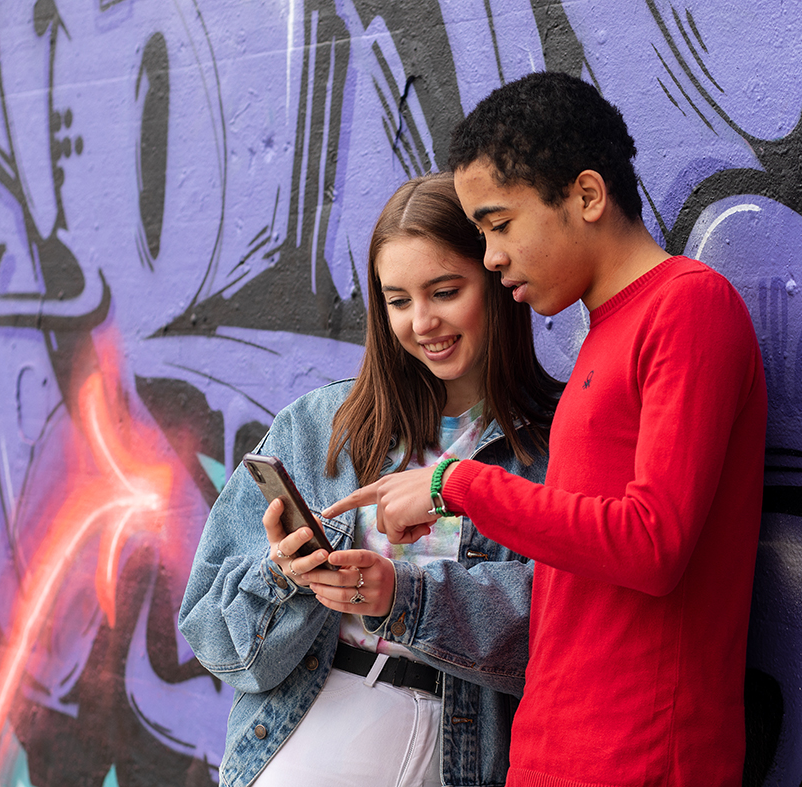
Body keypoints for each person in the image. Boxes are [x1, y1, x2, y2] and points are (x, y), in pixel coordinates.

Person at [322, 72, 768, 786]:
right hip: (552, 752)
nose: (491, 256)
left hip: (644, 756)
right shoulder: (601, 334)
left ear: (586, 196)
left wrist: (453, 483)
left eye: (499, 224)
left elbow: (652, 544)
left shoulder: (688, 306)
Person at [178, 172, 562, 787]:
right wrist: (285, 576)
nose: (422, 322)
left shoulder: (556, 442)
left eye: (444, 291)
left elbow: (566, 626)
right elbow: (214, 639)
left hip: (468, 748)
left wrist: (402, 595)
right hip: (312, 731)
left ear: (495, 278)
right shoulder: (317, 427)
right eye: (398, 300)